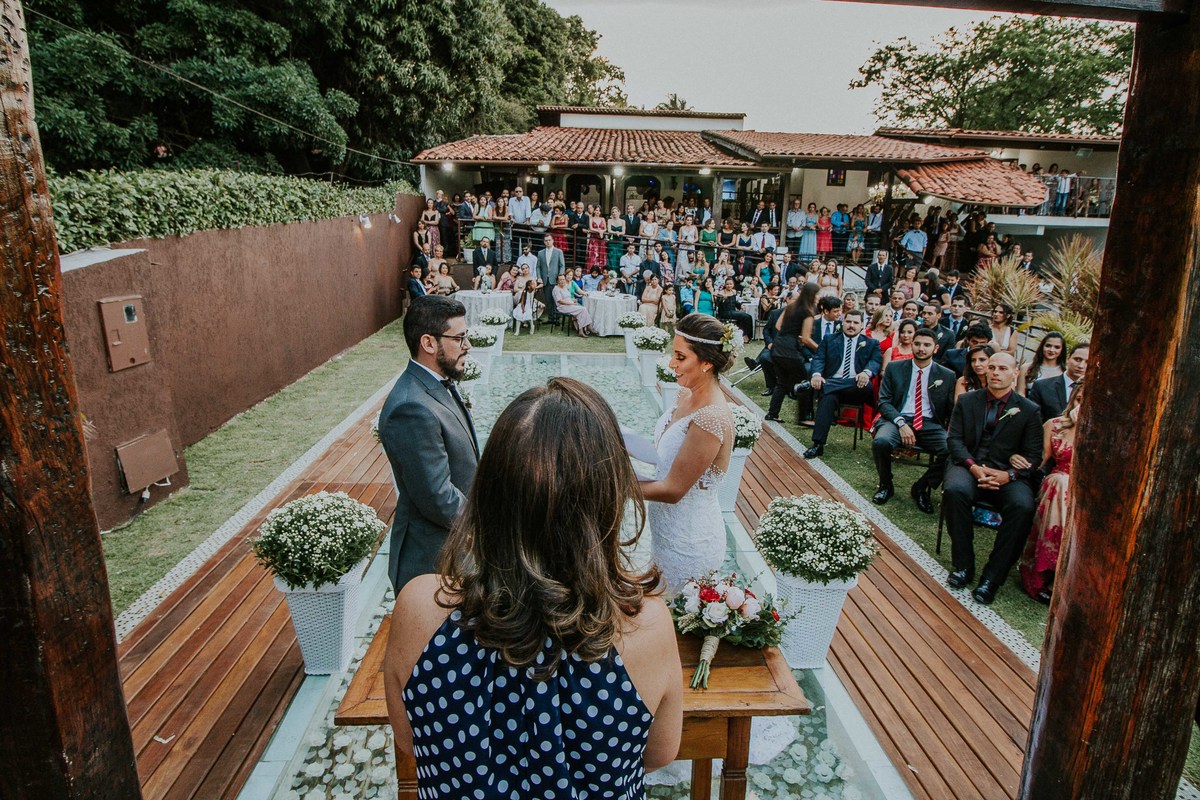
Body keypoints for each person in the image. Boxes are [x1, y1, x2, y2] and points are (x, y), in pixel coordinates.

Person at [384, 378, 683, 792]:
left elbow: (412, 742)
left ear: (489, 491)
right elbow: (660, 754)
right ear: (607, 499)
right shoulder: (643, 624)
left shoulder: (419, 605)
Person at [379, 297, 480, 591]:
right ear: (429, 343)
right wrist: (483, 525)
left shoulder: (436, 385)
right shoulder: (411, 407)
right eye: (459, 338)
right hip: (432, 562)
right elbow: (437, 496)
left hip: (454, 549)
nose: (467, 345)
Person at [638, 313, 737, 593]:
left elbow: (673, 489)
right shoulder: (686, 396)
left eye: (680, 357)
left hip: (690, 545)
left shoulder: (711, 418)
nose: (671, 363)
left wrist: (613, 482)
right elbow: (670, 458)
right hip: (666, 534)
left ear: (707, 363)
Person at [943, 353, 1043, 604]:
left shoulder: (1029, 410)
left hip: (1007, 475)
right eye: (992, 367)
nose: (996, 372)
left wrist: (1009, 475)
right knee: (954, 490)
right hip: (970, 467)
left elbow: (1033, 456)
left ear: (1015, 374)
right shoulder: (967, 401)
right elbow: (954, 440)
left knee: (1023, 506)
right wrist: (974, 467)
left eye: (1002, 368)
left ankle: (992, 577)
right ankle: (964, 565)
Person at [872, 327, 956, 512]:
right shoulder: (895, 367)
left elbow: (950, 410)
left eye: (927, 345)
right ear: (912, 345)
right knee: (881, 442)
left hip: (929, 423)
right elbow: (884, 402)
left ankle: (921, 487)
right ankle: (886, 485)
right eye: (917, 344)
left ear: (936, 348)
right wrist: (900, 423)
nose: (921, 348)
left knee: (951, 449)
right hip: (897, 418)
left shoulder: (947, 376)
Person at [1018, 382, 1084, 603]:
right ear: (1072, 399)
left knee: (1064, 485)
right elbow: (1037, 462)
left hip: (1086, 494)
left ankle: (1064, 576)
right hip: (1056, 488)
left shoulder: (1106, 434)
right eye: (1079, 399)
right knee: (1060, 482)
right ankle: (1046, 571)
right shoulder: (1054, 425)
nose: (1083, 406)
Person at [803, 310, 883, 458]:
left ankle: (825, 385)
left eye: (855, 322)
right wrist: (816, 375)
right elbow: (819, 358)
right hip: (833, 390)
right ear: (843, 322)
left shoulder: (871, 343)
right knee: (827, 398)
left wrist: (866, 372)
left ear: (862, 325)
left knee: (866, 385)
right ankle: (818, 444)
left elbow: (876, 361)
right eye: (848, 321)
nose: (851, 325)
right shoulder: (829, 339)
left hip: (857, 389)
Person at [764, 282, 821, 423]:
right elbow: (806, 338)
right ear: (812, 295)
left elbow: (778, 325)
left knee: (782, 382)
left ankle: (772, 413)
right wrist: (820, 350)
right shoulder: (808, 312)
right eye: (818, 294)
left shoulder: (791, 306)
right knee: (805, 382)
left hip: (777, 347)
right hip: (789, 351)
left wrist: (791, 332)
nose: (819, 297)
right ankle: (804, 417)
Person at [1028, 341, 1089, 421]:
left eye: (1087, 362)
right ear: (1068, 358)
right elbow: (1033, 420)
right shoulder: (1042, 386)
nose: (1081, 366)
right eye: (1077, 359)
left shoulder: (1095, 393)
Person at [536, 234, 566, 322]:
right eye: (546, 240)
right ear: (544, 242)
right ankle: (550, 318)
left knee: (556, 300)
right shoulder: (540, 253)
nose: (548, 242)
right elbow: (538, 267)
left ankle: (557, 318)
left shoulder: (558, 252)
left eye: (549, 240)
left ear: (553, 241)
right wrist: (539, 277)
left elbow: (562, 265)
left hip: (556, 280)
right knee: (548, 300)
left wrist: (560, 276)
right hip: (546, 280)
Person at [716, 277, 754, 343]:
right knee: (746, 317)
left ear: (733, 285)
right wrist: (723, 300)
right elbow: (718, 305)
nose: (729, 285)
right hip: (725, 312)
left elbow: (735, 302)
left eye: (730, 284)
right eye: (727, 284)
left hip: (733, 311)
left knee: (748, 316)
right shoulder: (721, 293)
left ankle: (745, 335)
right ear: (725, 285)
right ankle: (745, 336)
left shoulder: (733, 292)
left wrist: (740, 305)